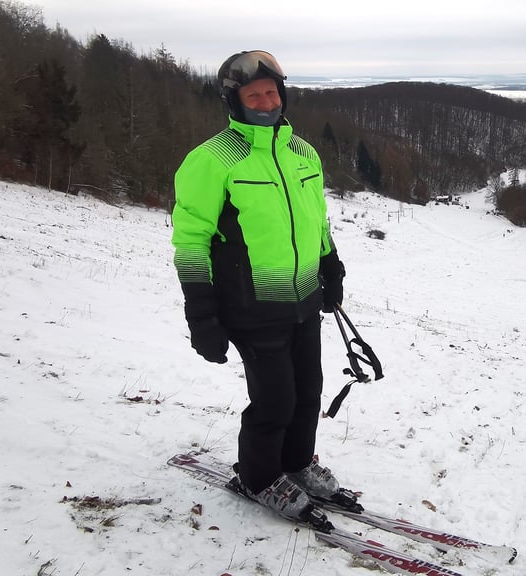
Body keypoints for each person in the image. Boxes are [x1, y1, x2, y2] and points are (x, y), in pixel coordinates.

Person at [171, 50, 348, 527]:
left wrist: (330, 266)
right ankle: (259, 475)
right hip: (251, 305)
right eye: (255, 94)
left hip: (304, 301)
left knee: (308, 390)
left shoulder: (302, 153)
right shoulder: (212, 160)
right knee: (275, 400)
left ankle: (295, 463)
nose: (267, 102)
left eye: (272, 92)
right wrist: (201, 316)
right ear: (235, 100)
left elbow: (317, 221)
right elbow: (190, 241)